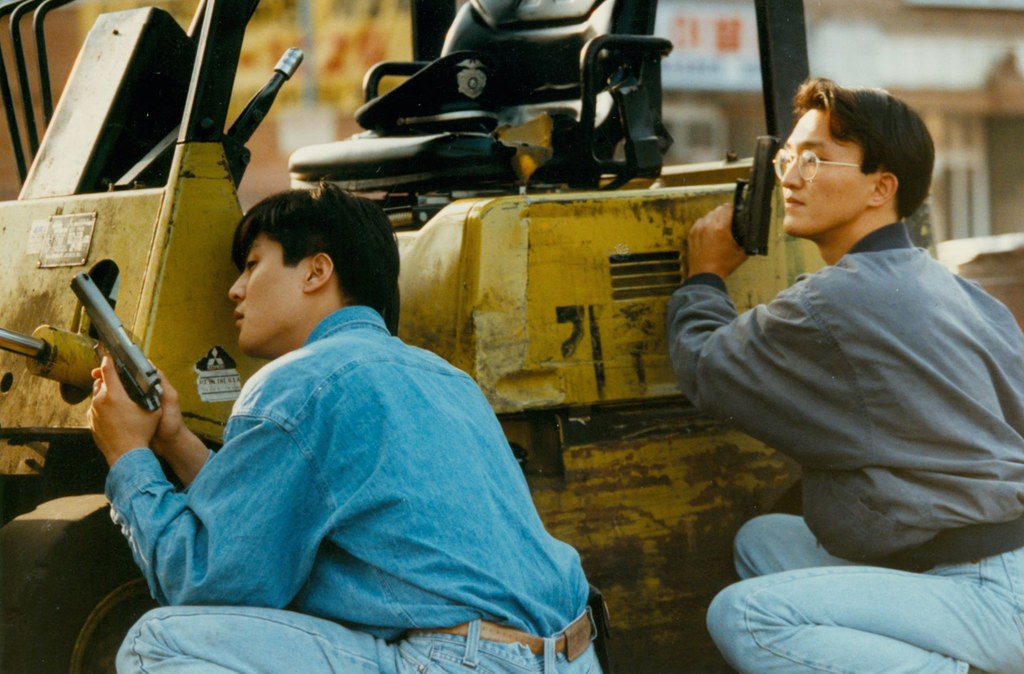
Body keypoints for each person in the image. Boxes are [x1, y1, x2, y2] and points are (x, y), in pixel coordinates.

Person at [88, 183, 602, 674]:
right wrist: (175, 440)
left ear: (316, 272)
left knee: (154, 644)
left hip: (460, 660)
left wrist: (128, 454)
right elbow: (269, 515)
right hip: (570, 655)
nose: (235, 290)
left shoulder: (299, 382)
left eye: (252, 265)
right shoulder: (445, 376)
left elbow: (204, 579)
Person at [666, 77, 1024, 673]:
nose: (790, 176)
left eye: (815, 159)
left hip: (988, 591)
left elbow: (707, 369)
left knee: (745, 615)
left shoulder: (832, 302)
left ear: (881, 188)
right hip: (1002, 564)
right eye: (787, 157)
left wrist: (704, 276)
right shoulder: (958, 289)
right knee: (763, 541)